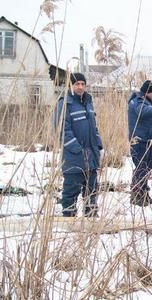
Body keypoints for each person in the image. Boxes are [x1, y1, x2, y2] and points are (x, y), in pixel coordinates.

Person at [53, 73, 103, 217]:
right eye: (77, 84)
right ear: (71, 85)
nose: (80, 87)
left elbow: (94, 128)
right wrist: (77, 149)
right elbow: (62, 129)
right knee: (71, 191)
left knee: (92, 191)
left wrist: (99, 145)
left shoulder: (88, 102)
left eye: (82, 84)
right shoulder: (65, 103)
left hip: (91, 156)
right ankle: (69, 220)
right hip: (74, 157)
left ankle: (91, 219)